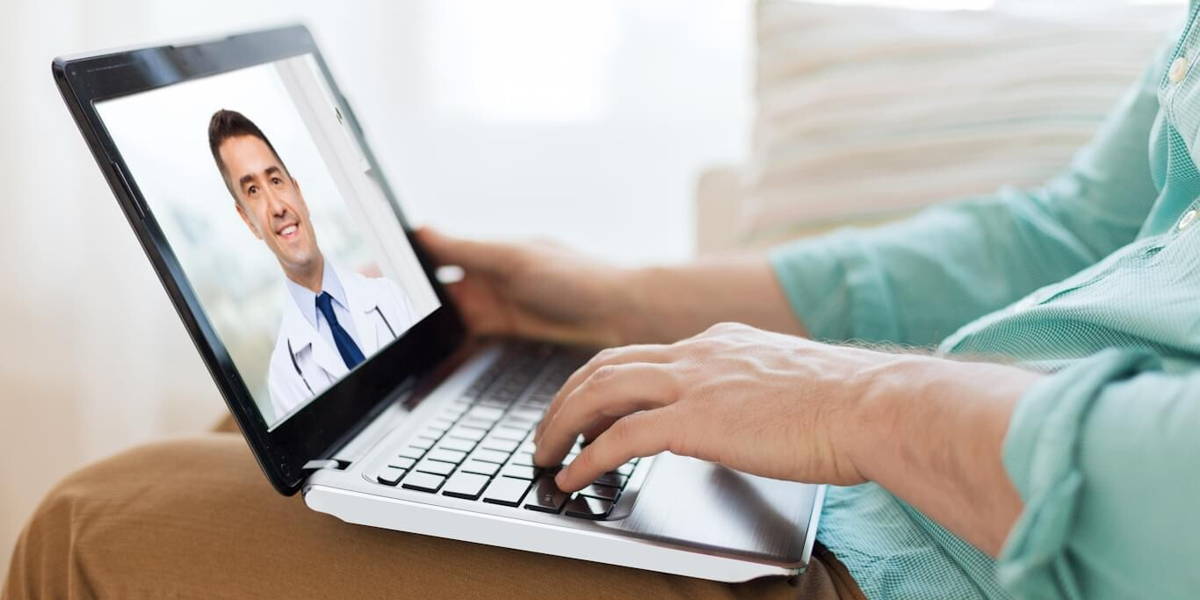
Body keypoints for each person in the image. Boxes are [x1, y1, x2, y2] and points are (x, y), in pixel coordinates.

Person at [6, 11, 1200, 599]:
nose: (275, 205)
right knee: (321, 436)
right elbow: (1069, 232)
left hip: (983, 561)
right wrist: (617, 294)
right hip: (921, 486)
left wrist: (861, 399)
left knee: (96, 520)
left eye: (279, 177)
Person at [207, 109, 417, 420]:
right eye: (253, 191)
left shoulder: (388, 297)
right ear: (247, 221)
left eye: (275, 180)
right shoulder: (284, 377)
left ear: (298, 192)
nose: (277, 206)